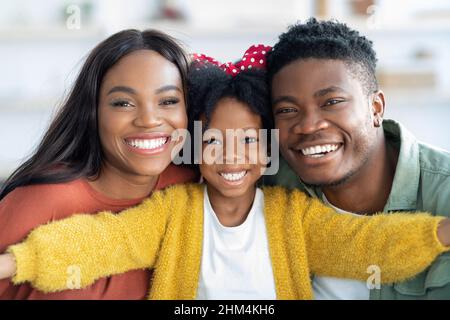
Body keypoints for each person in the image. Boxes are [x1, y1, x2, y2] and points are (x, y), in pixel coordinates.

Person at [0, 48, 449, 300]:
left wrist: (440, 234)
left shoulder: (292, 213)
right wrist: (18, 261)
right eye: (214, 141)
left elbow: (364, 244)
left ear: (272, 147)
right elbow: (103, 241)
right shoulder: (172, 209)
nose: (232, 157)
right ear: (193, 145)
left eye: (250, 141)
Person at [0, 29, 198, 300]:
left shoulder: (193, 189)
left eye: (168, 101)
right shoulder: (41, 200)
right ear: (93, 113)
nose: (149, 120)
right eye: (123, 103)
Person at [264, 18, 450, 299]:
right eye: (288, 110)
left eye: (332, 102)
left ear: (376, 108)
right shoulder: (266, 191)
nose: (309, 125)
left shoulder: (444, 195)